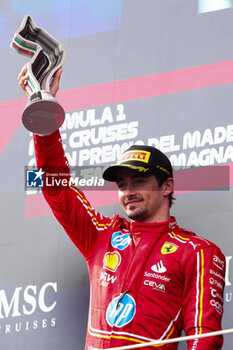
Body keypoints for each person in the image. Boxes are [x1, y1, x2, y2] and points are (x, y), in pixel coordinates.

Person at [18, 67, 225, 350]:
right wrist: (42, 112)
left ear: (167, 187)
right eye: (122, 184)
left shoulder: (197, 252)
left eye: (139, 181)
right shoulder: (100, 236)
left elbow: (204, 336)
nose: (129, 192)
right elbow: (56, 188)